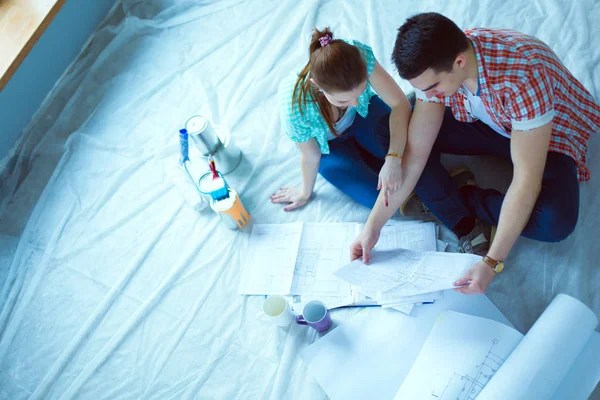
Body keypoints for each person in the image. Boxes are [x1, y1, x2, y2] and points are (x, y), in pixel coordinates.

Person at [350, 12, 600, 294]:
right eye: (421, 90)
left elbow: (525, 178)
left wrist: (492, 262)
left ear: (459, 62)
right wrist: (374, 226)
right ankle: (458, 215)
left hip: (545, 137)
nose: (428, 97)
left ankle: (464, 197)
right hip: (489, 121)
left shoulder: (523, 78)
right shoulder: (441, 70)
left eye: (432, 87)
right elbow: (416, 152)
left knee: (555, 223)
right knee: (393, 131)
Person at [271, 27, 411, 211]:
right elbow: (310, 154)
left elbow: (398, 103)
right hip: (329, 147)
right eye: (343, 100)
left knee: (408, 157)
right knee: (379, 200)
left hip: (364, 116)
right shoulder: (293, 105)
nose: (353, 103)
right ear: (317, 86)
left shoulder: (357, 56)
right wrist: (305, 192)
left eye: (359, 92)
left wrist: (393, 158)